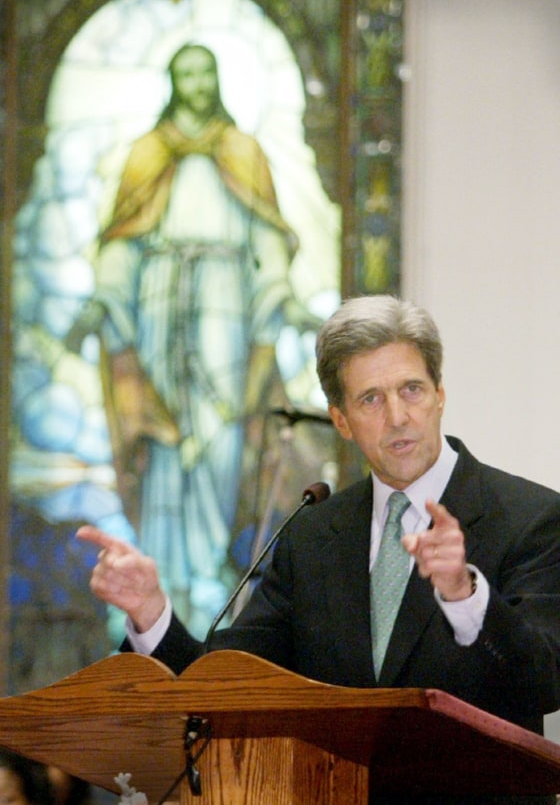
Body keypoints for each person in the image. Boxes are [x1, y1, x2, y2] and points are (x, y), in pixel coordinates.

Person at [78, 295, 560, 804]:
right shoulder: (312, 536)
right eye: (370, 399)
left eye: (412, 390)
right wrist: (151, 611)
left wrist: (465, 594)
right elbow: (224, 687)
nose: (398, 416)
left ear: (440, 395)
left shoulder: (530, 518)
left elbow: (545, 682)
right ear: (341, 420)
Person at [66, 42, 317, 635]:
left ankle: (206, 572)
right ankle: (163, 575)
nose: (198, 85)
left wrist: (280, 294)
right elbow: (123, 242)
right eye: (187, 75)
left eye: (206, 73)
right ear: (173, 83)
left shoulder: (243, 151)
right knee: (164, 433)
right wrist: (105, 298)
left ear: (218, 80)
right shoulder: (148, 154)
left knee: (221, 429)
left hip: (227, 303)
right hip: (159, 300)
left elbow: (268, 240)